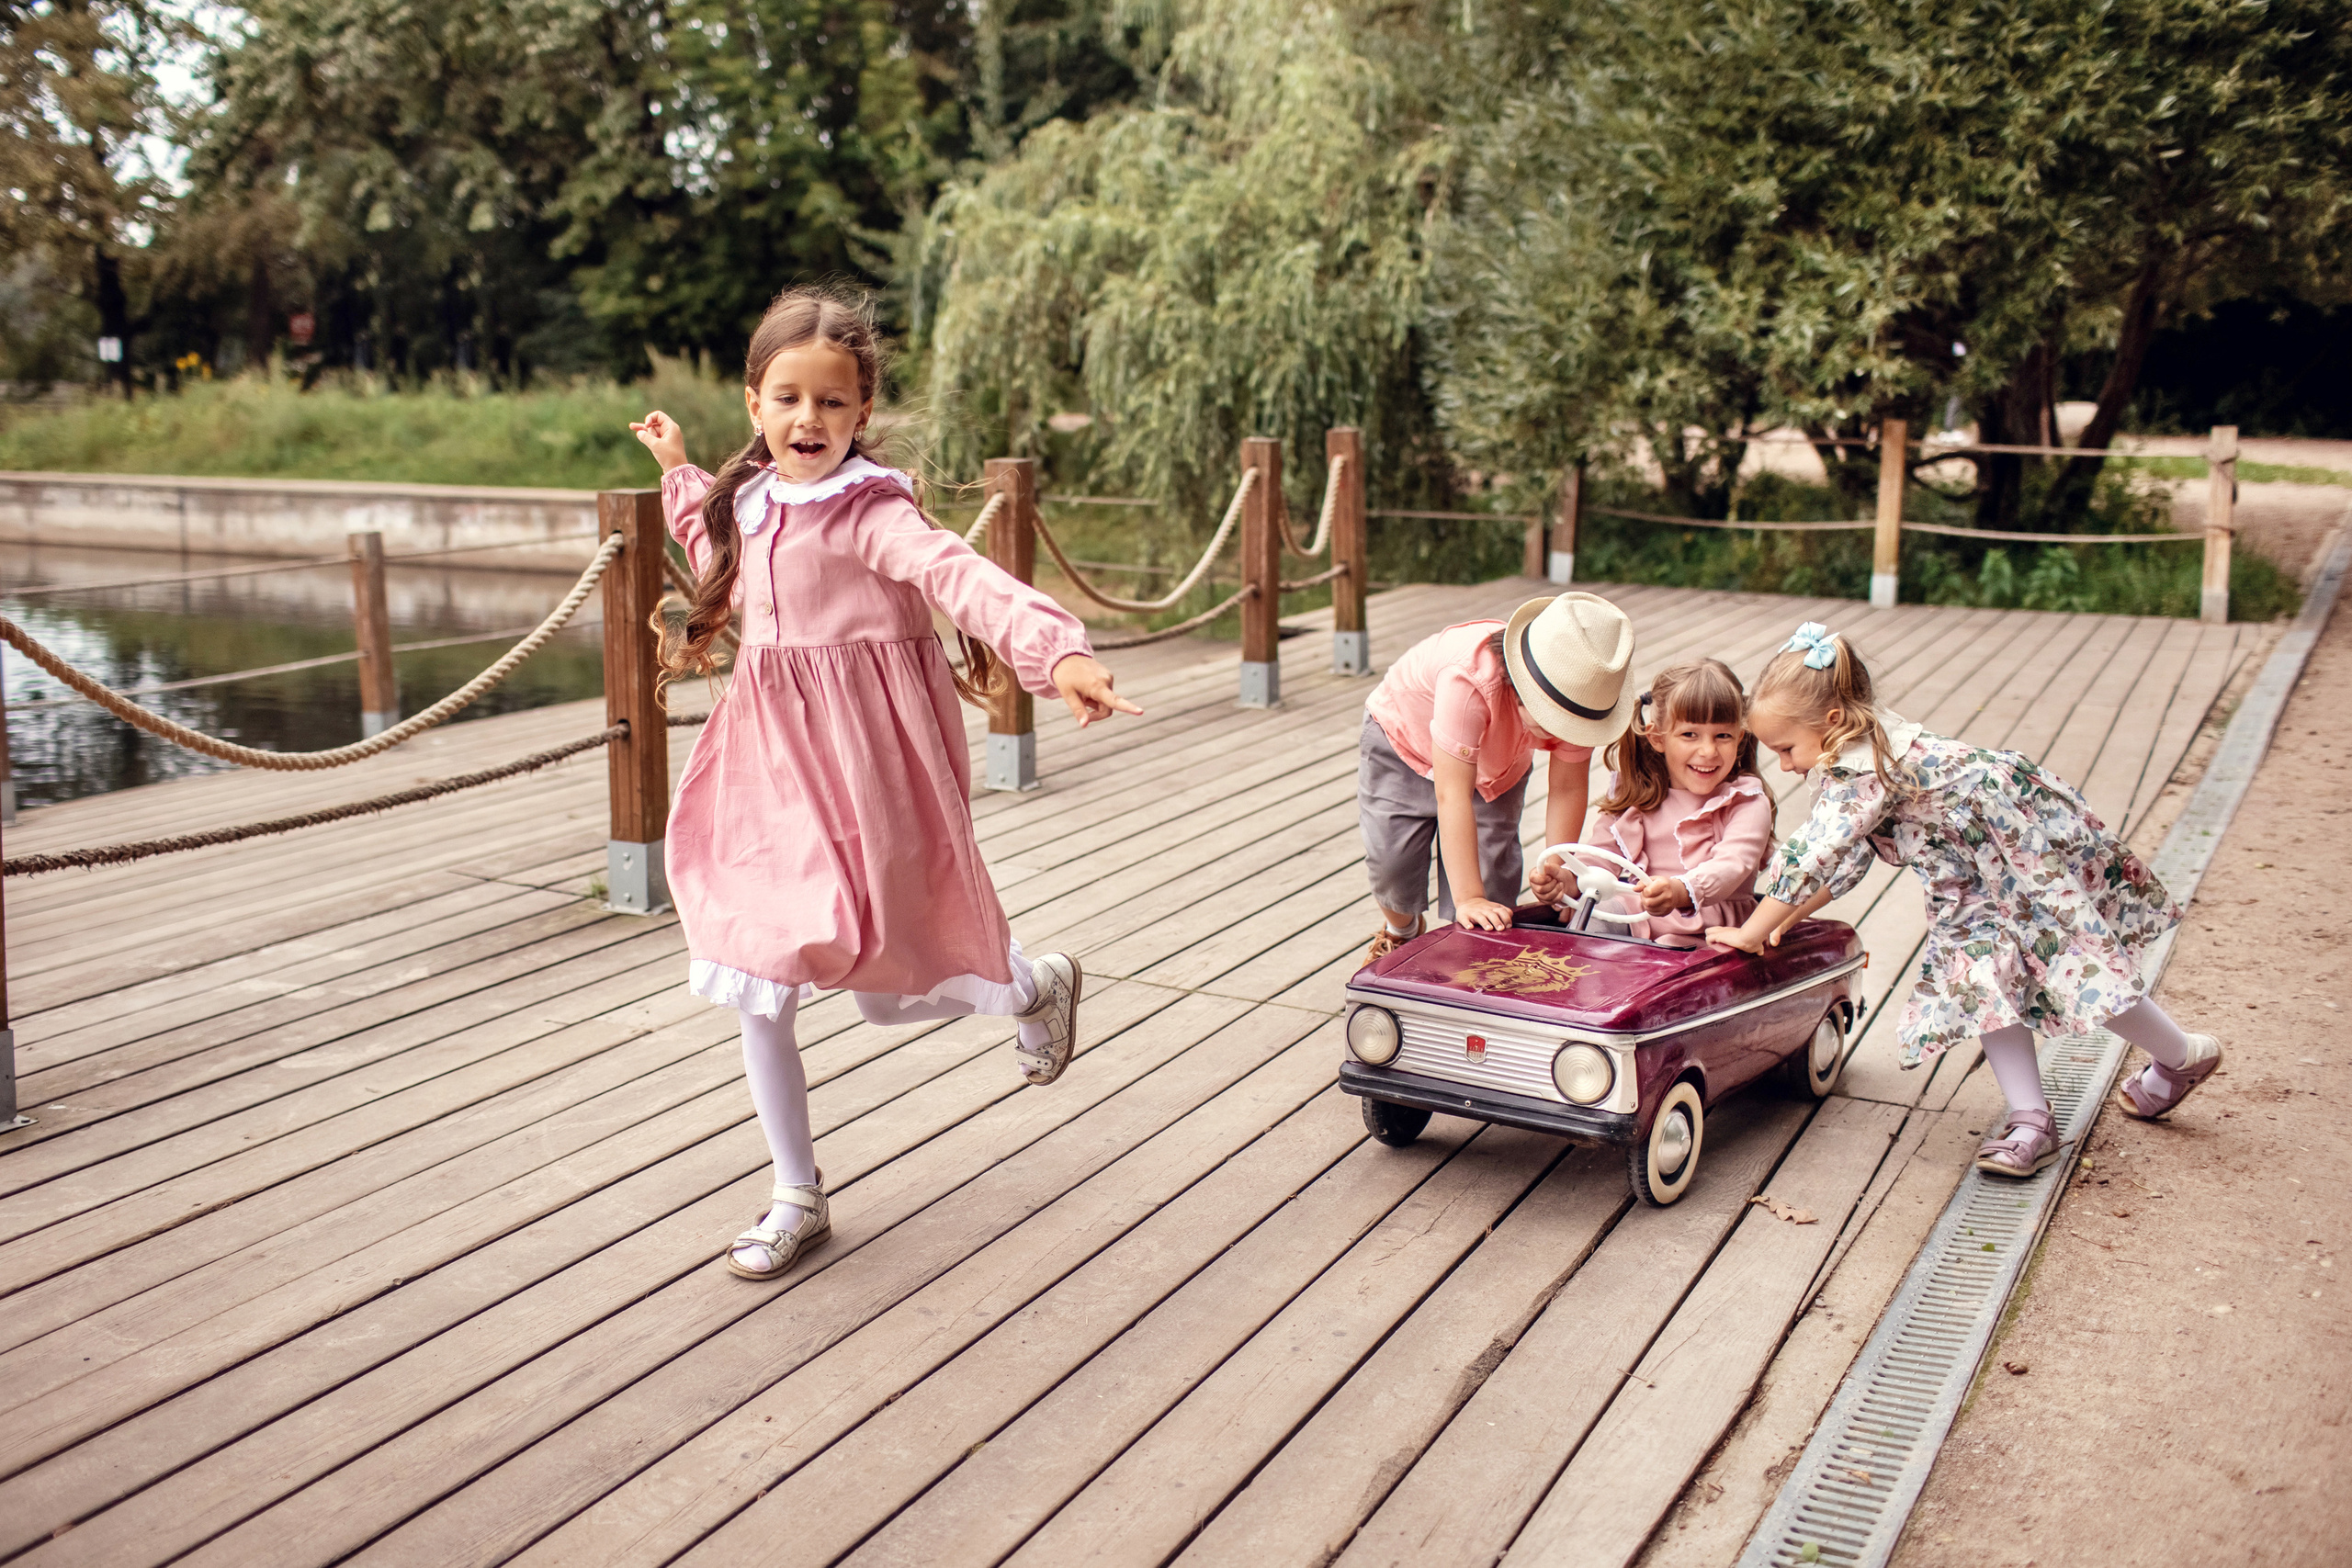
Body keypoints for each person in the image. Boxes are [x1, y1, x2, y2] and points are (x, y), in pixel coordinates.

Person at [629, 286, 1140, 1280]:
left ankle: (1034, 987)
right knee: (760, 970)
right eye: (786, 400)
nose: (807, 421)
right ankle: (795, 1191)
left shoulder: (874, 516)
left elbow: (962, 577)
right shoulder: (751, 498)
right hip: (768, 767)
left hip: (871, 764)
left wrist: (1058, 653)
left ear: (861, 412)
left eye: (830, 403)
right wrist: (678, 471)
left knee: (888, 988)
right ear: (755, 405)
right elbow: (718, 558)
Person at [1706, 623, 2221, 1178]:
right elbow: (1850, 858)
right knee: (1984, 980)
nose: (1784, 764)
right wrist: (1789, 916)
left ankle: (2181, 1056)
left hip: (2018, 863)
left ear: (1831, 722)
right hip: (1970, 877)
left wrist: (1753, 929)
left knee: (2074, 966)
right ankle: (2031, 1120)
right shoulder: (1853, 749)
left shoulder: (1861, 767)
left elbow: (1814, 851)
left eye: (1786, 749)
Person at [1358, 592, 1636, 956]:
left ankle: (1476, 959)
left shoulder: (1580, 694)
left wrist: (1556, 870)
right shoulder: (1469, 680)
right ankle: (1401, 930)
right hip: (1404, 743)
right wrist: (1468, 898)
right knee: (1392, 865)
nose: (1563, 737)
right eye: (1553, 724)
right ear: (1520, 689)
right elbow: (1452, 795)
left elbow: (1567, 787)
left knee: (1492, 883)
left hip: (1496, 764)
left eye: (1571, 728)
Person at [1532, 658, 1772, 947]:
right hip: (1637, 915)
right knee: (1599, 914)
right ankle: (1575, 982)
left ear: (1739, 739)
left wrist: (1681, 891)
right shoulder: (1638, 794)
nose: (1708, 751)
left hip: (1711, 927)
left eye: (1723, 736)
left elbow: (1733, 864)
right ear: (1658, 738)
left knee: (1671, 953)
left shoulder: (1745, 802)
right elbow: (1600, 859)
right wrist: (1567, 880)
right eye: (1689, 735)